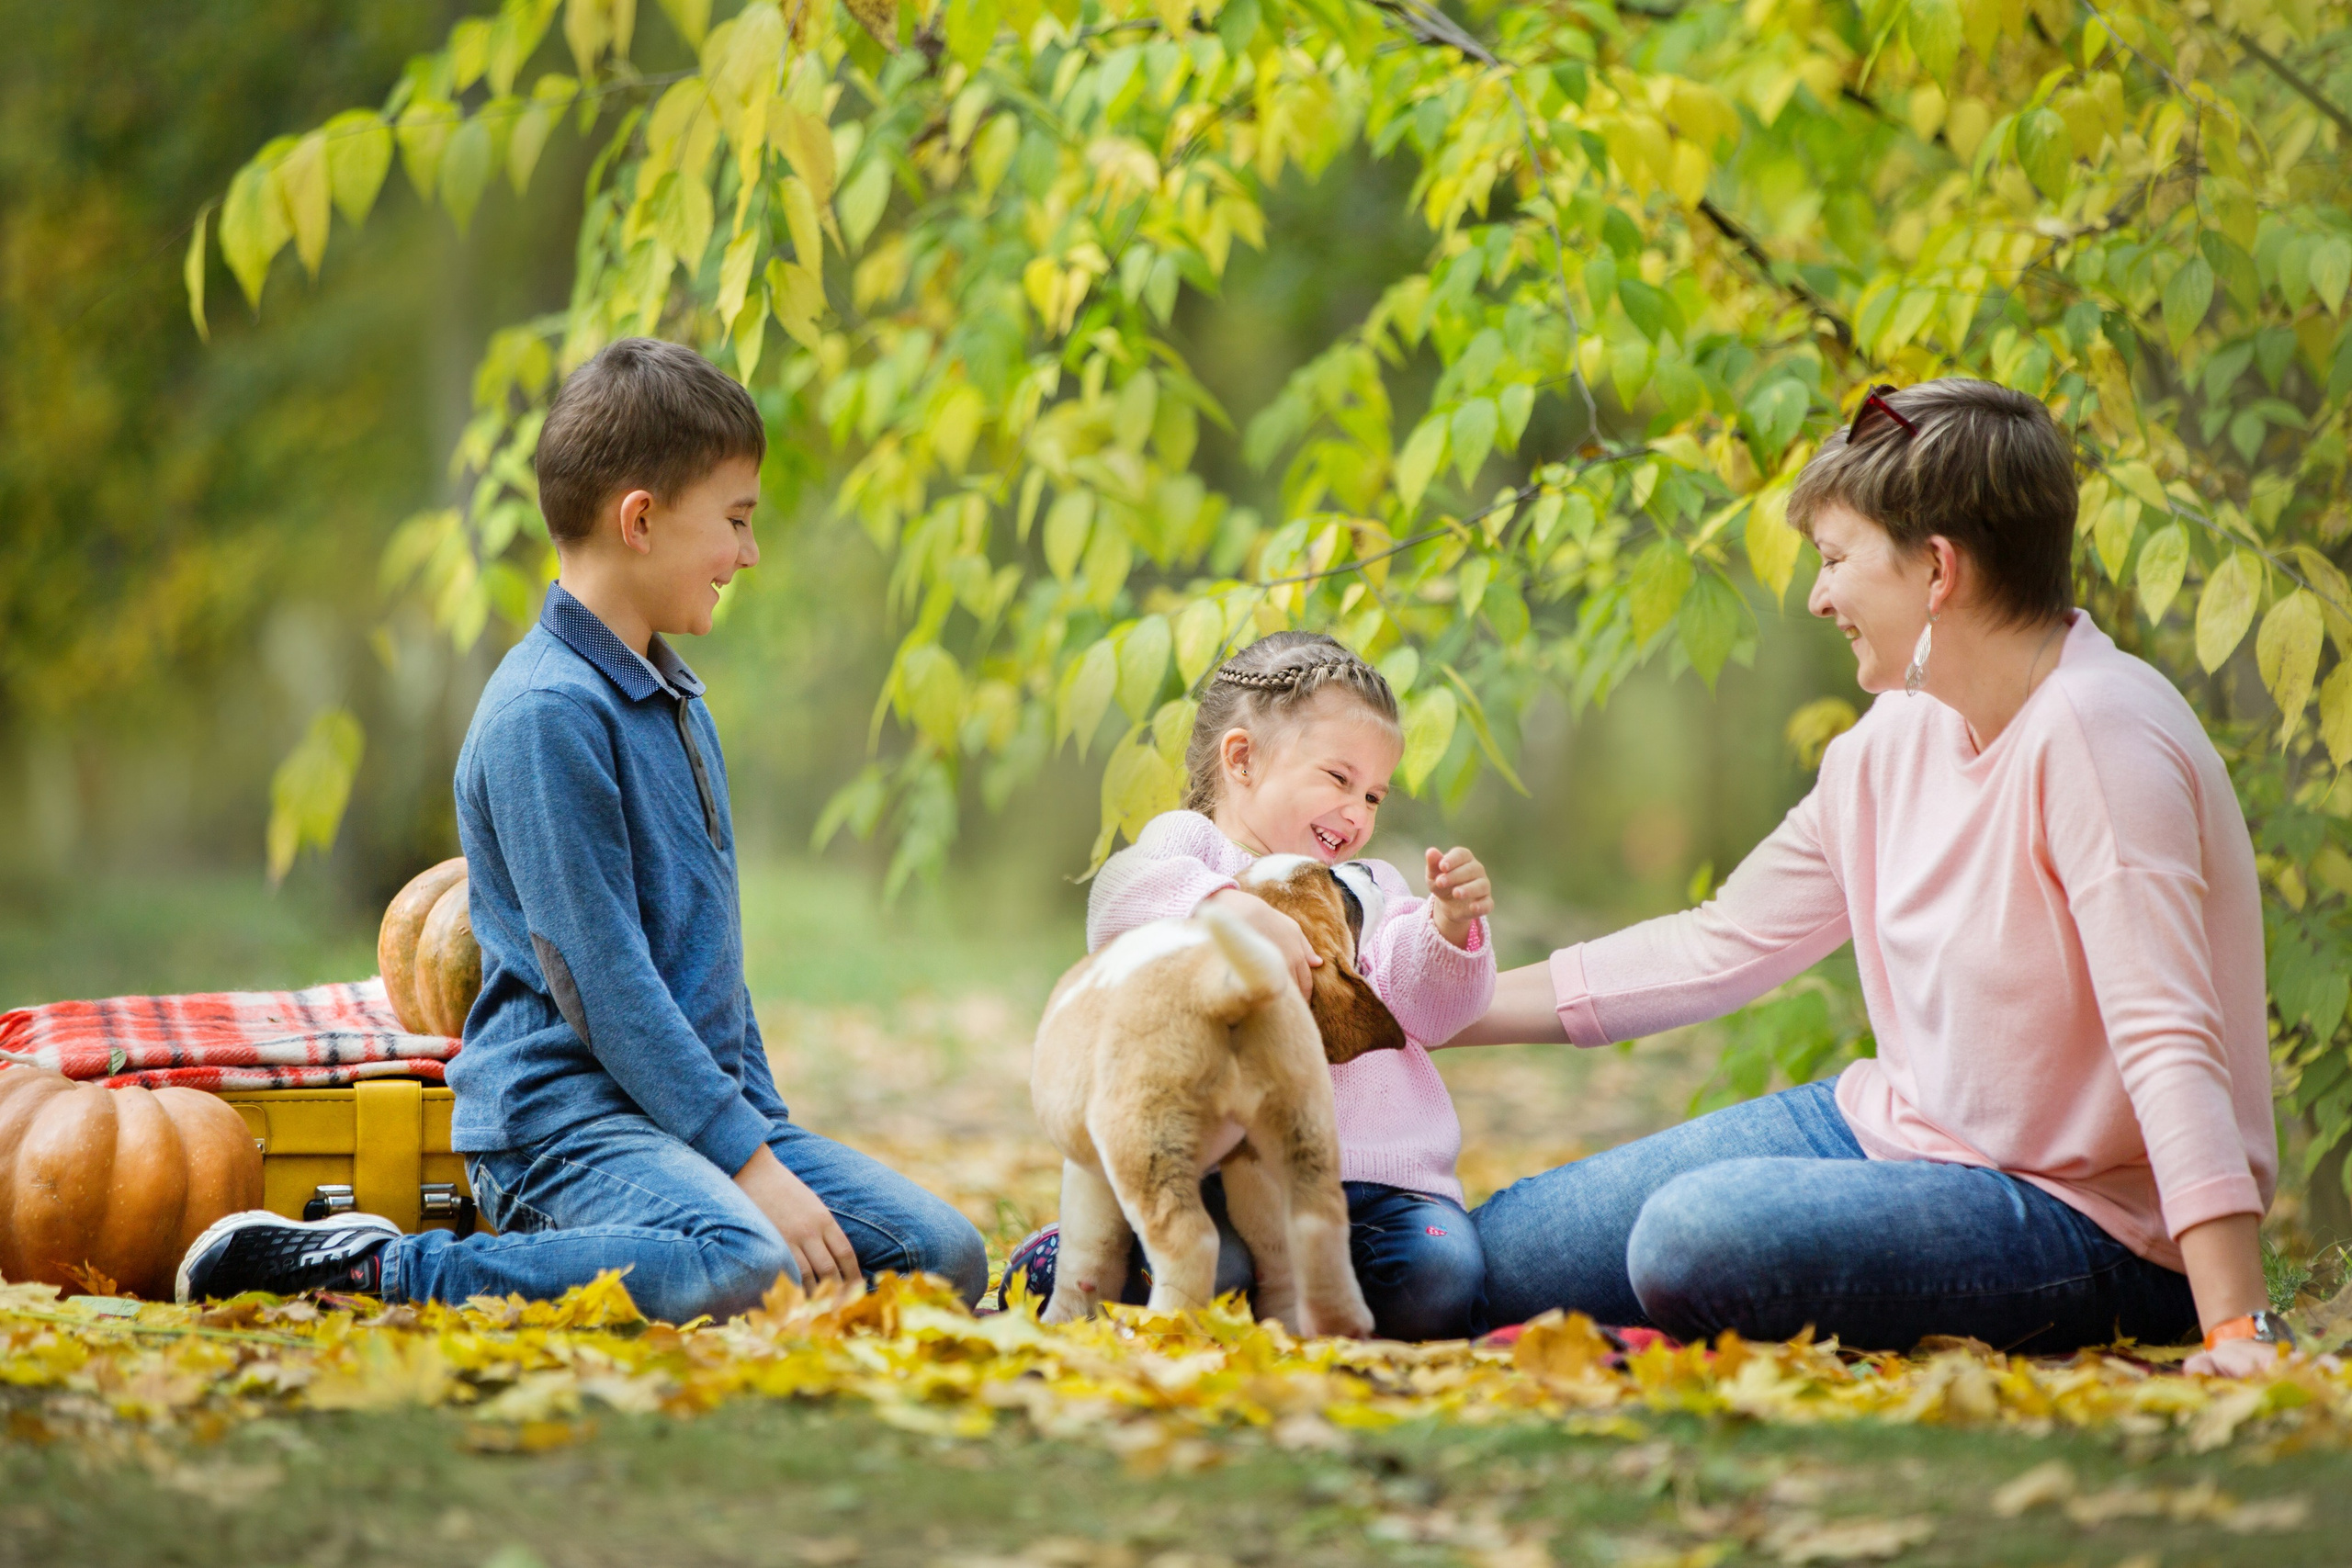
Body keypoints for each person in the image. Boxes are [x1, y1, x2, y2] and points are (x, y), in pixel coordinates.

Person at [1456, 378, 2290, 1375]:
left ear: (1936, 569)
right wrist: (1431, 1010)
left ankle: (1669, 1322)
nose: (1816, 596)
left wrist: (2236, 1326)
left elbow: (2167, 1035)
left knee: (1693, 1236)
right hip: (1901, 1132)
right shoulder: (1898, 735)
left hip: (2092, 1224)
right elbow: (1719, 942)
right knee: (1485, 1259)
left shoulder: (2098, 733)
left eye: (1835, 560)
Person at [177, 338, 987, 1319]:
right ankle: (376, 1269)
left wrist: (762, 1138)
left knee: (941, 1253)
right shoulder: (545, 715)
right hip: (560, 1130)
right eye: (734, 521)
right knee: (747, 1261)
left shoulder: (675, 698)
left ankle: (687, 1234)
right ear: (640, 520)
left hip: (692, 1120)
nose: (748, 553)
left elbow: (708, 972)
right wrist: (750, 1171)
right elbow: (605, 986)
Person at [1004, 632, 1498, 1339]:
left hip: (1379, 1190)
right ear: (1242, 758)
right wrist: (1222, 905)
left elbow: (1430, 1008)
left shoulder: (1371, 888)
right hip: (1227, 1179)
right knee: (1215, 1272)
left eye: (1374, 794)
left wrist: (1449, 928)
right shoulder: (1193, 847)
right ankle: (1084, 1257)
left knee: (1440, 1280)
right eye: (1338, 778)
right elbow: (1118, 902)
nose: (1358, 812)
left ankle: (1325, 1296)